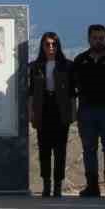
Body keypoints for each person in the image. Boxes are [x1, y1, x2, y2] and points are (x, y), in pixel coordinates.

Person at [72, 24, 105, 197]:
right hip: (86, 111)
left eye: (101, 38)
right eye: (95, 38)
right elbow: (74, 84)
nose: (98, 41)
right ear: (89, 39)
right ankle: (92, 186)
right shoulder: (80, 60)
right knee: (88, 149)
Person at [27, 32, 73, 197]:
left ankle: (58, 185)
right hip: (43, 109)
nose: (51, 47)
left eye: (54, 44)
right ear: (42, 46)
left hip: (60, 109)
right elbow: (31, 92)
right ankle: (46, 184)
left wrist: (72, 114)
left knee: (60, 149)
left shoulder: (67, 65)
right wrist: (31, 112)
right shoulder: (35, 66)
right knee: (44, 149)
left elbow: (72, 93)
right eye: (47, 44)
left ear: (58, 45)